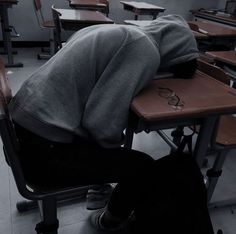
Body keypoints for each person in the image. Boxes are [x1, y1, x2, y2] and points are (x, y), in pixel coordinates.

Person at [8, 14, 209, 233]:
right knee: (141, 167)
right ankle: (110, 221)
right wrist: (125, 128)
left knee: (122, 157)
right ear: (173, 55)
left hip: (22, 133)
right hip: (43, 155)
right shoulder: (145, 49)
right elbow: (100, 125)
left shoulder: (112, 30)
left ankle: (103, 192)